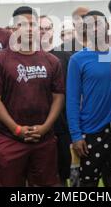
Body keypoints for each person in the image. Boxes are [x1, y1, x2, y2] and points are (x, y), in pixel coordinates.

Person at [0, 6, 65, 186]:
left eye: (33, 24)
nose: (29, 29)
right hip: (10, 137)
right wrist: (16, 129)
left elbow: (58, 97)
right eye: (23, 24)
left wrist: (45, 127)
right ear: (13, 29)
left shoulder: (52, 61)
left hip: (43, 138)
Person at [67, 10, 111, 187]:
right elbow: (72, 100)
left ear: (107, 26)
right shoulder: (78, 60)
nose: (94, 28)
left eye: (98, 23)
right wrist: (76, 135)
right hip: (90, 132)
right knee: (86, 185)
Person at [40, 15, 72, 186]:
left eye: (48, 28)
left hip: (61, 125)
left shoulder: (66, 57)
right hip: (36, 125)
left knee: (62, 175)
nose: (44, 32)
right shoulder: (26, 57)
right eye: (40, 28)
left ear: (54, 31)